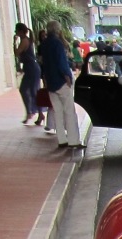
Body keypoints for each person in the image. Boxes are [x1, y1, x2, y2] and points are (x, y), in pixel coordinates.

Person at [39, 20, 79, 148]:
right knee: (69, 111)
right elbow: (62, 62)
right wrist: (67, 76)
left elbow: (43, 62)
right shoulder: (57, 43)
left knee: (57, 112)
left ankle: (61, 139)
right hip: (61, 81)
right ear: (58, 30)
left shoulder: (44, 44)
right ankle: (73, 140)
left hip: (50, 81)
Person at [15, 23, 41, 123]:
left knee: (33, 91)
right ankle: (30, 111)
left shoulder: (24, 41)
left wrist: (14, 42)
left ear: (20, 31)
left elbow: (17, 53)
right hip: (29, 67)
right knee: (25, 90)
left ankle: (38, 113)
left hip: (32, 68)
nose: (15, 33)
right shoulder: (26, 40)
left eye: (16, 31)